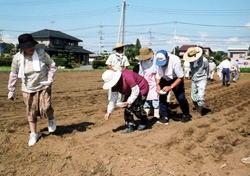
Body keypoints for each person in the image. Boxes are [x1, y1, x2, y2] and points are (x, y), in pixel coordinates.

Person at [7, 33, 57, 146]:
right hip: (27, 88)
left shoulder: (41, 53)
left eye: (31, 46)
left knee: (46, 106)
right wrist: (11, 90)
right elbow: (14, 73)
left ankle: (51, 118)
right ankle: (34, 133)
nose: (30, 48)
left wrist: (50, 79)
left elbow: (52, 65)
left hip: (43, 85)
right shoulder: (17, 58)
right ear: (22, 48)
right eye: (27, 47)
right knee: (31, 111)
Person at [102, 69, 149, 133]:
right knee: (127, 108)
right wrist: (108, 112)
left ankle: (144, 121)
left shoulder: (127, 76)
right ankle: (130, 125)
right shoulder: (114, 85)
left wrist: (129, 101)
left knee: (136, 107)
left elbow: (136, 91)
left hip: (141, 88)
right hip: (129, 91)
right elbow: (113, 98)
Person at [155, 50, 192, 124]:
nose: (162, 65)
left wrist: (171, 87)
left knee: (181, 97)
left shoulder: (175, 60)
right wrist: (157, 85)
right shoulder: (157, 61)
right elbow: (158, 76)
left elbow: (180, 77)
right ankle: (164, 116)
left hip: (176, 78)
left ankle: (186, 114)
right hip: (164, 78)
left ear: (167, 58)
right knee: (162, 97)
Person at [183, 47, 209, 115]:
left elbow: (207, 69)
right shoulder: (190, 60)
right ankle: (197, 107)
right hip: (194, 79)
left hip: (202, 79)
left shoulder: (204, 60)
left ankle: (200, 111)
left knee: (200, 95)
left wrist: (207, 77)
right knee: (193, 96)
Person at [137, 47, 159, 119]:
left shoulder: (155, 60)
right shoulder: (141, 61)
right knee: (145, 96)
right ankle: (146, 112)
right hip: (145, 80)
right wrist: (140, 81)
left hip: (154, 80)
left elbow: (158, 71)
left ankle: (156, 113)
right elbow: (141, 72)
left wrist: (157, 82)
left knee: (155, 96)